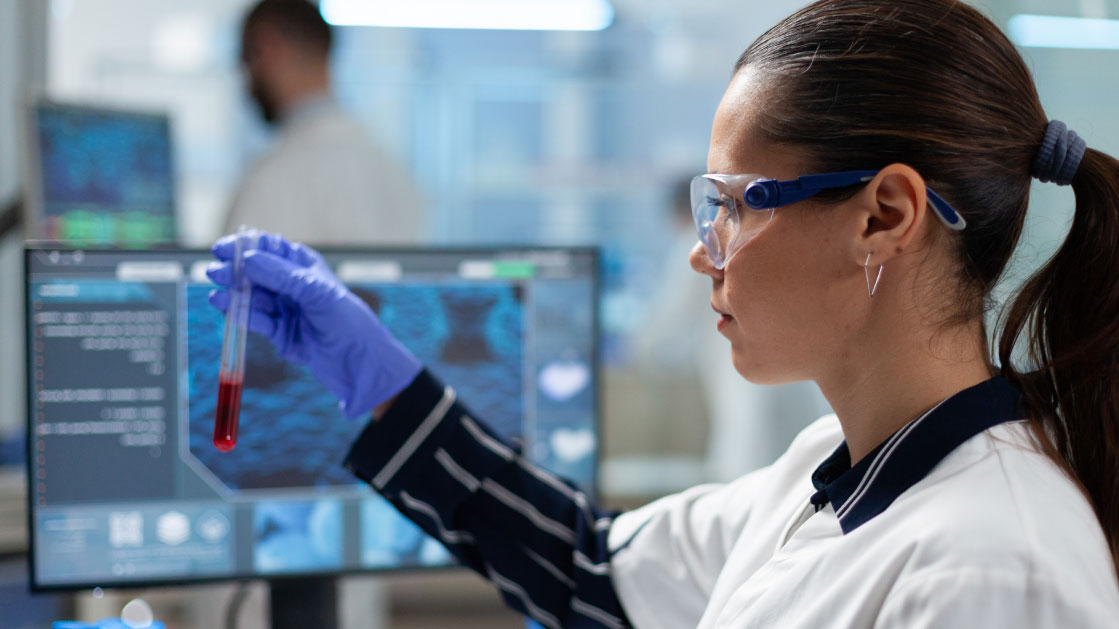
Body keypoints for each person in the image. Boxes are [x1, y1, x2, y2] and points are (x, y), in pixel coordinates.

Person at [208, 0, 1119, 626]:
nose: (702, 249)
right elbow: (594, 571)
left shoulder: (997, 563)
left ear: (883, 216)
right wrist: (388, 389)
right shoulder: (829, 470)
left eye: (735, 204)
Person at [225, 0, 423, 245]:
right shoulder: (392, 170)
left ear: (268, 47)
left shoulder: (275, 179)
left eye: (244, 57)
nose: (245, 81)